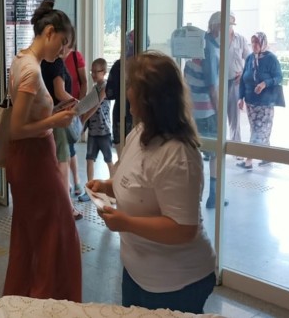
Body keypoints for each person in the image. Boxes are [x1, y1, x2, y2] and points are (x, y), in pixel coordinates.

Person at [88, 52, 216, 313]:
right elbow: (136, 184)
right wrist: (107, 187)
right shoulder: (140, 132)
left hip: (176, 284)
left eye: (132, 86)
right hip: (137, 274)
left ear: (150, 98)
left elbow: (183, 229)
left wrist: (126, 223)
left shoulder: (178, 154)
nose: (127, 92)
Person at [3, 0, 81, 301]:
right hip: (34, 159)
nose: (61, 52)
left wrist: (54, 114)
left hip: (29, 157)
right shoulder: (31, 71)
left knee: (30, 235)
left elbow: (25, 119)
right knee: (56, 234)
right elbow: (17, 128)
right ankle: (48, 300)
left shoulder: (21, 59)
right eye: (62, 43)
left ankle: (26, 296)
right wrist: (55, 120)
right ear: (49, 32)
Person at [41, 19, 83, 220]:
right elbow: (59, 92)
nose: (68, 50)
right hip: (58, 118)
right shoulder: (57, 63)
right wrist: (76, 103)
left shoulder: (41, 62)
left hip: (47, 117)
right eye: (67, 44)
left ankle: (58, 204)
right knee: (62, 162)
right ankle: (67, 207)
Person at [183, 16, 221, 209]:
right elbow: (212, 87)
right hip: (207, 111)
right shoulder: (210, 51)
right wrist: (219, 113)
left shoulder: (194, 50)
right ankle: (213, 195)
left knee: (195, 154)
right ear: (216, 27)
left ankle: (194, 195)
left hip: (193, 111)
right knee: (215, 153)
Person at [237, 32, 284, 169]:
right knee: (259, 130)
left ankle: (248, 160)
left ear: (263, 43)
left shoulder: (271, 59)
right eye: (252, 42)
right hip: (250, 102)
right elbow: (243, 80)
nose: (254, 45)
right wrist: (240, 98)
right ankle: (267, 156)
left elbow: (279, 77)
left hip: (265, 103)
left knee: (258, 131)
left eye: (257, 42)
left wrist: (264, 83)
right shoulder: (250, 58)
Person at [84, 58, 114, 183]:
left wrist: (83, 118)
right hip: (93, 132)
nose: (93, 74)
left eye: (96, 71)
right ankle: (89, 184)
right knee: (89, 159)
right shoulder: (93, 88)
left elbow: (95, 104)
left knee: (108, 159)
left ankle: (113, 184)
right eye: (92, 72)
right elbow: (87, 104)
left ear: (104, 72)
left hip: (104, 131)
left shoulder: (105, 88)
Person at [64, 44, 88, 197]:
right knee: (62, 147)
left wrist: (80, 105)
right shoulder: (51, 59)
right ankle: (67, 182)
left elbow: (84, 82)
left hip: (73, 109)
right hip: (59, 108)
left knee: (70, 145)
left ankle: (76, 180)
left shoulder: (75, 56)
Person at [225, 12, 251, 145]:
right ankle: (216, 149)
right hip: (219, 84)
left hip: (235, 83)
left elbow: (250, 60)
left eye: (230, 21)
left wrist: (243, 73)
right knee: (217, 117)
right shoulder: (217, 39)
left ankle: (235, 147)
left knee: (234, 119)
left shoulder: (240, 39)